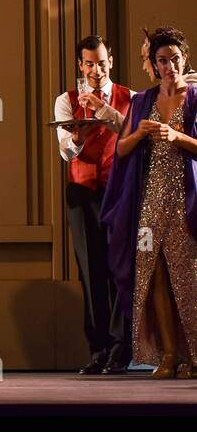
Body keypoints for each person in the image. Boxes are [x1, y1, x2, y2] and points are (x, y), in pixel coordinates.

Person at [102, 26, 197, 378]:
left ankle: (195, 356)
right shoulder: (143, 99)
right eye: (162, 60)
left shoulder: (195, 96)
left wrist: (177, 135)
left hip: (185, 199)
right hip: (148, 200)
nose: (169, 66)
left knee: (187, 275)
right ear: (154, 65)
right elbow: (121, 148)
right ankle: (169, 355)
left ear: (184, 59)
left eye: (175, 59)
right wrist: (141, 131)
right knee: (153, 274)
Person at [53, 35, 132, 374]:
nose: (96, 70)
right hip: (82, 192)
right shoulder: (66, 101)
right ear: (80, 65)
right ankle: (98, 348)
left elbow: (132, 138)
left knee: (120, 272)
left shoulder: (131, 97)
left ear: (110, 61)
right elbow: (64, 151)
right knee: (91, 273)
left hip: (119, 191)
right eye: (89, 64)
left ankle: (120, 349)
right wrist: (76, 137)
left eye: (101, 63)